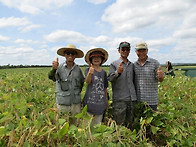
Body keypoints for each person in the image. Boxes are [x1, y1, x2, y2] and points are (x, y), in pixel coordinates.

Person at [48, 44, 84, 119]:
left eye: (73, 53)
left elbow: (81, 83)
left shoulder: (78, 69)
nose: (70, 55)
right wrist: (54, 69)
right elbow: (51, 77)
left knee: (75, 124)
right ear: (64, 55)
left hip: (75, 103)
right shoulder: (59, 67)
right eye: (68, 53)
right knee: (63, 124)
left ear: (76, 55)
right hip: (62, 102)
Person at [108, 41, 137, 129]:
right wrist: (117, 72)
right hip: (119, 100)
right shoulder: (114, 64)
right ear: (119, 51)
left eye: (127, 49)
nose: (125, 51)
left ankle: (128, 142)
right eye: (123, 49)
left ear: (129, 51)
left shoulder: (132, 65)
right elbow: (109, 78)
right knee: (119, 126)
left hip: (131, 99)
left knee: (130, 125)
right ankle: (119, 141)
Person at [134, 42, 164, 111]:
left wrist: (160, 76)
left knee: (152, 121)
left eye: (143, 50)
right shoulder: (134, 65)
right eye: (139, 51)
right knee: (140, 121)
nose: (141, 53)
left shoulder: (155, 63)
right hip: (138, 100)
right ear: (136, 52)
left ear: (147, 51)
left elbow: (160, 79)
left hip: (151, 100)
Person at [83, 48, 109, 125]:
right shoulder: (88, 70)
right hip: (89, 103)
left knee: (97, 126)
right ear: (91, 59)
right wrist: (90, 73)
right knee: (87, 127)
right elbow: (88, 82)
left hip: (100, 104)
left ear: (102, 59)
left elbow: (105, 87)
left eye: (98, 57)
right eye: (94, 57)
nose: (96, 59)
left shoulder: (103, 72)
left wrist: (106, 100)